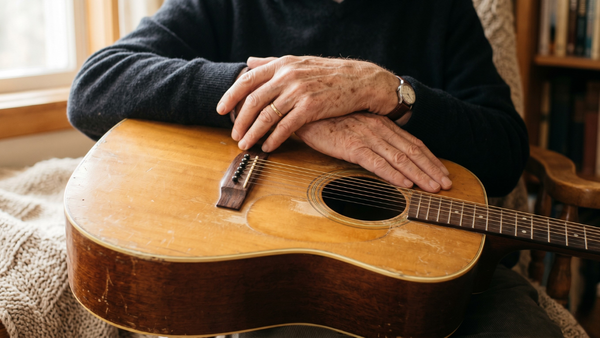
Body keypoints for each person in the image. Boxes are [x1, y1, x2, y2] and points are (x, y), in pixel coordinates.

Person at [67, 0, 564, 337]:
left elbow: (505, 154)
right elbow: (95, 87)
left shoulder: (440, 8)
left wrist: (391, 91)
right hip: (285, 266)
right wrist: (282, 99)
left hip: (443, 261)